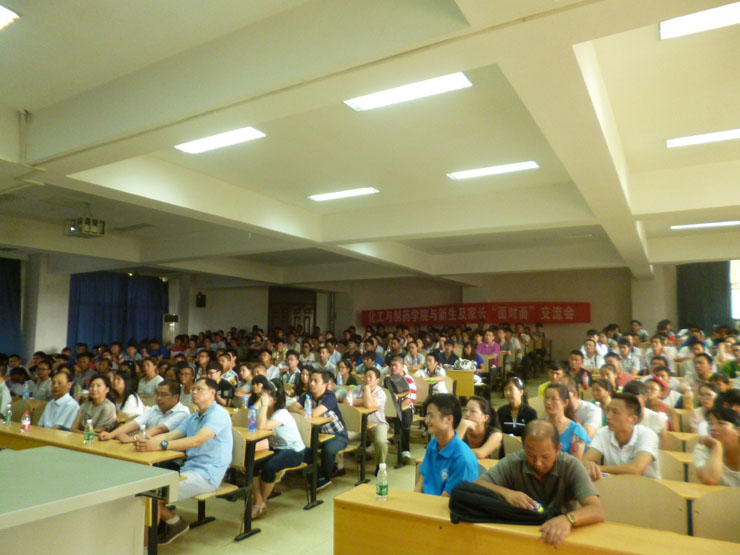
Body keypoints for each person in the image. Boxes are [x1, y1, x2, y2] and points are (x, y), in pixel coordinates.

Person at [135, 377, 233, 545]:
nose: (194, 392)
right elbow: (170, 435)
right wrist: (146, 441)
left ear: (213, 392)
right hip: (189, 469)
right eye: (193, 389)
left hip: (208, 474)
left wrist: (161, 445)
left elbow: (196, 440)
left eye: (199, 389)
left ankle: (144, 548)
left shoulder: (219, 414)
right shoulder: (194, 417)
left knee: (151, 496)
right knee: (145, 491)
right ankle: (174, 522)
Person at [474, 420, 604, 547]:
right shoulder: (513, 462)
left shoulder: (571, 466)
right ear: (524, 447)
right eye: (531, 455)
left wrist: (568, 519)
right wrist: (507, 493)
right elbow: (477, 485)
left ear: (558, 449)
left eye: (545, 457)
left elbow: (596, 509)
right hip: (522, 534)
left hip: (561, 537)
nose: (538, 463)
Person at [251, 382, 306, 518]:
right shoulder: (264, 410)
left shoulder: (282, 413)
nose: (262, 397)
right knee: (253, 464)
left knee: (269, 467)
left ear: (274, 399)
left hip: (294, 451)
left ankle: (261, 503)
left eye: (266, 395)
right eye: (262, 395)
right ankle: (259, 500)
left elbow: (261, 426)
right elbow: (251, 415)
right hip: (276, 448)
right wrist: (260, 403)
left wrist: (264, 405)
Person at [289, 370, 348, 490]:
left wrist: (303, 412)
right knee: (302, 448)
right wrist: (303, 412)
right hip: (318, 434)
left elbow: (314, 413)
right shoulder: (307, 395)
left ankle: (325, 477)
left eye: (316, 381)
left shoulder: (330, 397)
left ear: (325, 384)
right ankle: (316, 471)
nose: (312, 383)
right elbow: (292, 408)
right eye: (311, 380)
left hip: (337, 434)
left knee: (328, 450)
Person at [582, 392, 661, 480]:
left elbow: (636, 469)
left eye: (615, 412)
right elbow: (585, 461)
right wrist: (589, 465)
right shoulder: (603, 433)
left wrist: (598, 469)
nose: (608, 416)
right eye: (608, 410)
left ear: (633, 419)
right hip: (616, 485)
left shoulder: (648, 435)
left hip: (647, 486)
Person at [415, 393, 478, 496]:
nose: (426, 421)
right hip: (427, 502)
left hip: (446, 504)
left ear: (448, 419)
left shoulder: (462, 458)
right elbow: (423, 477)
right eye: (426, 416)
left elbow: (446, 499)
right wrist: (414, 499)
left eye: (431, 416)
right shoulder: (433, 443)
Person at [100, 380, 190, 442]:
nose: (158, 398)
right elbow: (134, 423)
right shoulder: (155, 408)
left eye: (163, 395)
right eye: (157, 394)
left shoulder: (182, 412)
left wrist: (131, 439)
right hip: (147, 448)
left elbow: (159, 429)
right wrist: (110, 435)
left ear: (176, 397)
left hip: (170, 455)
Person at [347, 367, 389, 472]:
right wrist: (365, 400)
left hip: (377, 424)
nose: (367, 379)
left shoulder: (381, 393)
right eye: (366, 376)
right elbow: (347, 402)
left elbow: (369, 405)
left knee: (381, 441)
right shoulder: (356, 389)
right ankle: (338, 466)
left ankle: (381, 465)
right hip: (358, 424)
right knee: (340, 436)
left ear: (377, 380)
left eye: (370, 377)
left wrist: (366, 389)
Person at [693, 407, 740, 487]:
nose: (712, 428)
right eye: (710, 423)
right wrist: (717, 446)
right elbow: (710, 479)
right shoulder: (702, 449)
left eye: (721, 423)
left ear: (738, 431)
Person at [543, 383, 589, 460]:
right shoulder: (539, 426)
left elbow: (574, 464)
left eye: (553, 399)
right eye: (546, 398)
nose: (548, 402)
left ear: (565, 403)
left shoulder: (577, 432)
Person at [388, 356, 415, 463]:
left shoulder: (408, 379)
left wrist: (396, 410)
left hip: (404, 407)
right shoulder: (387, 379)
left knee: (404, 415)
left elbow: (409, 399)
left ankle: (405, 449)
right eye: (391, 365)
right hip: (389, 408)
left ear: (403, 367)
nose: (393, 368)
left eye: (396, 365)